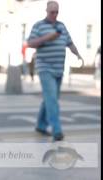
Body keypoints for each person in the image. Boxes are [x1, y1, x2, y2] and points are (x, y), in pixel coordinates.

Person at [27, 1, 84, 141]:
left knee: (50, 98)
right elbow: (30, 43)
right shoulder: (38, 26)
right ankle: (57, 130)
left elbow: (69, 42)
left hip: (59, 69)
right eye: (52, 12)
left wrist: (78, 54)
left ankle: (40, 125)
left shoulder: (61, 26)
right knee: (52, 99)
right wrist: (48, 37)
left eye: (56, 12)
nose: (54, 14)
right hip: (45, 68)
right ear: (46, 11)